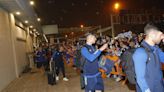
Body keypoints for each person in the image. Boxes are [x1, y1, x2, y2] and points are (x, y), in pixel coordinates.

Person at [133, 23, 164, 92]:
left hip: (159, 86)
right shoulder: (140, 52)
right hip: (149, 88)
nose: (162, 37)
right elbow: (140, 79)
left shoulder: (156, 49)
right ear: (152, 35)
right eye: (161, 35)